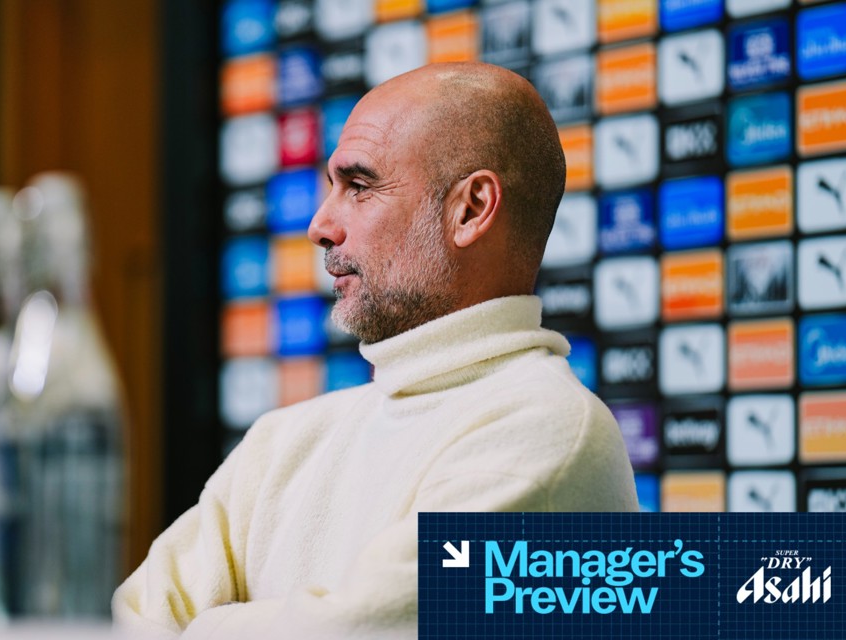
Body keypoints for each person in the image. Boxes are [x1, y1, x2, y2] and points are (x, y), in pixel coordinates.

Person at [111, 61, 639, 639]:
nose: (319, 225)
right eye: (330, 188)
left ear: (471, 209)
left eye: (359, 187)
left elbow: (353, 634)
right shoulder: (282, 442)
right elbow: (134, 619)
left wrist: (205, 625)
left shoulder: (550, 431)